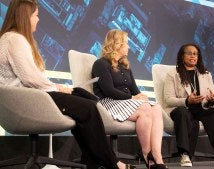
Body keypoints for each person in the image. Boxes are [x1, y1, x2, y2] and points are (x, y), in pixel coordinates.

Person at [0, 1, 135, 169]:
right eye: (36, 15)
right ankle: (111, 162)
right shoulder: (15, 39)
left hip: (32, 96)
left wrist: (57, 87)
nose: (38, 19)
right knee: (88, 108)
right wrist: (57, 87)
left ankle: (92, 160)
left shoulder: (12, 38)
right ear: (24, 17)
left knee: (87, 100)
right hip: (28, 100)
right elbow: (30, 78)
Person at [92, 29, 167, 169]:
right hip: (109, 102)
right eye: (126, 43)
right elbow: (109, 91)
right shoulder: (100, 64)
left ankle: (157, 156)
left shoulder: (125, 66)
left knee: (155, 107)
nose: (129, 46)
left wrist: (141, 96)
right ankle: (147, 155)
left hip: (127, 101)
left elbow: (134, 90)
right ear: (116, 44)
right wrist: (133, 98)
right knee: (144, 108)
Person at [163, 43, 214, 167]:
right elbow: (168, 99)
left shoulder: (205, 74)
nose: (193, 56)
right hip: (182, 109)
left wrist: (211, 99)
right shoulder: (173, 74)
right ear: (182, 56)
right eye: (189, 53)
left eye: (195, 54)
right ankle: (185, 154)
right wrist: (187, 101)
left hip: (201, 109)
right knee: (182, 112)